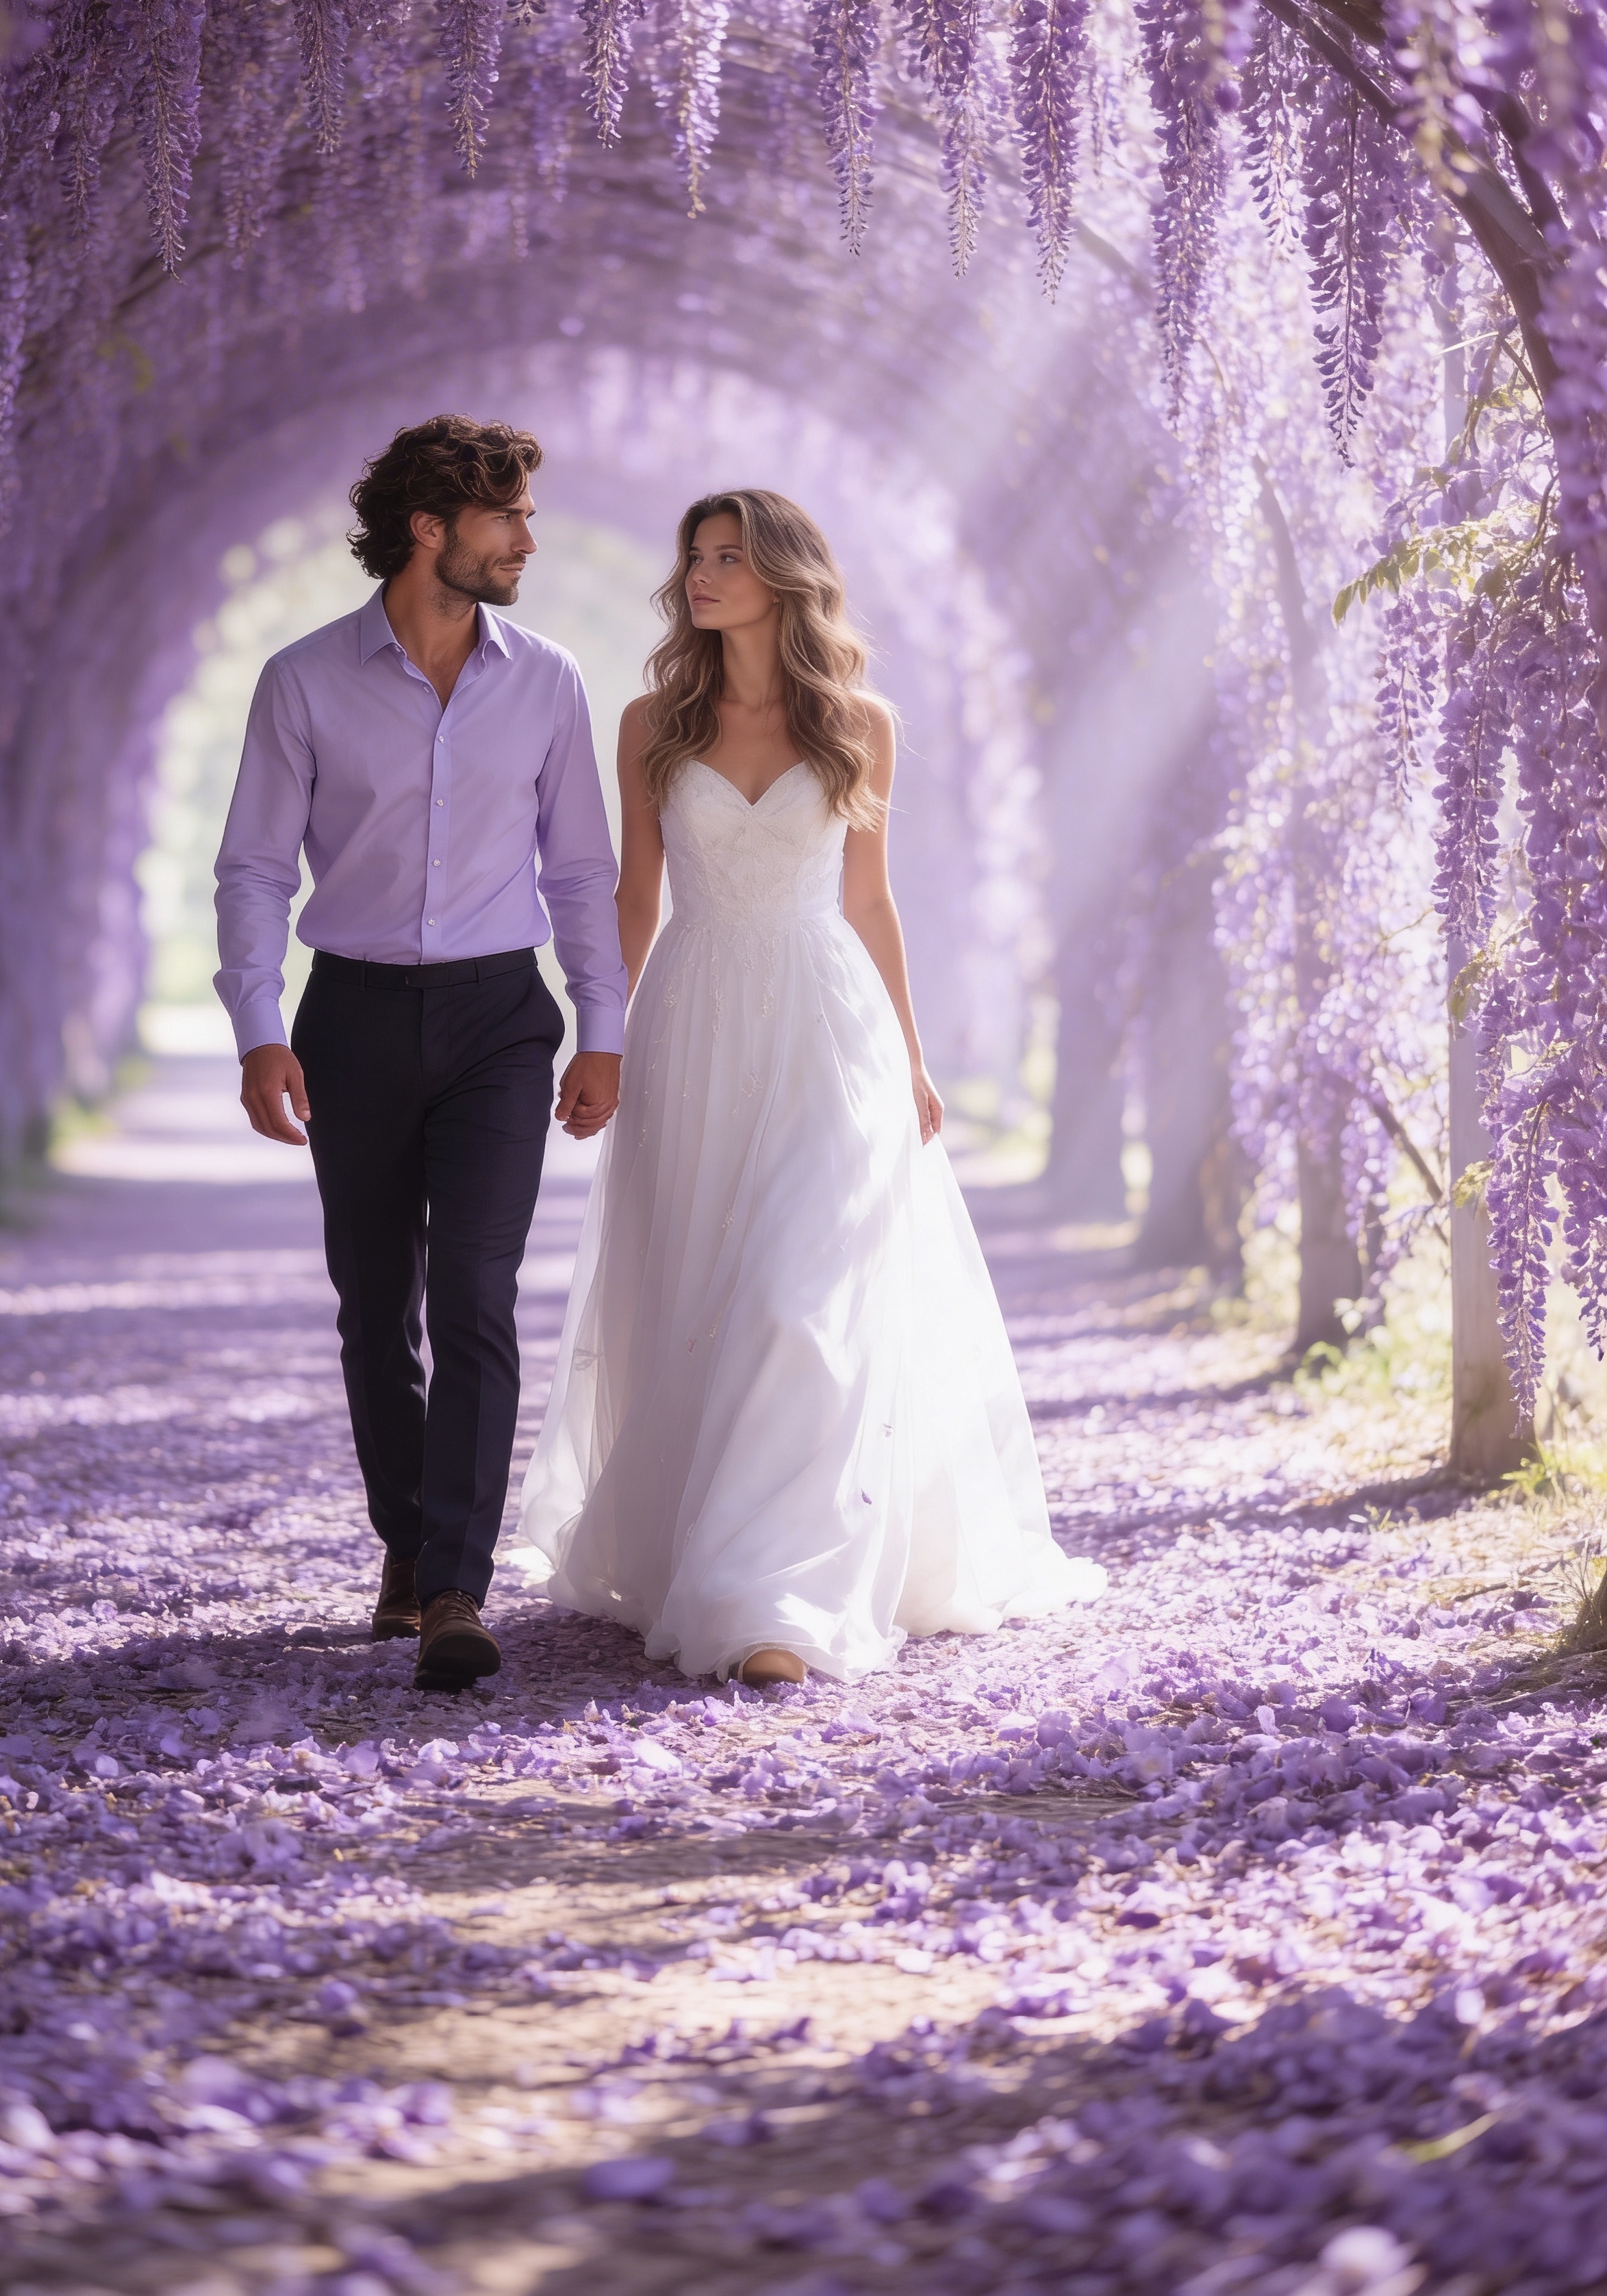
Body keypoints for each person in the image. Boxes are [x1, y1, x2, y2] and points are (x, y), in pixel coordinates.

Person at [520, 489, 1102, 1684]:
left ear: (785, 576)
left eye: (730, 557)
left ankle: (774, 1596)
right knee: (702, 1289)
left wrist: (917, 1053)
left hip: (829, 1026)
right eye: (696, 557)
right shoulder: (648, 724)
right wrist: (603, 1039)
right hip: (693, 1019)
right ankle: (711, 1547)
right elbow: (635, 900)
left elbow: (871, 900)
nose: (704, 575)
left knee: (802, 1295)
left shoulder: (857, 723)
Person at [215, 416, 624, 1694]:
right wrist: (259, 1029)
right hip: (354, 1015)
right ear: (428, 529)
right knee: (376, 1305)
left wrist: (603, 1026)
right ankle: (406, 1544)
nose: (527, 541)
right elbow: (253, 869)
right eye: (506, 517)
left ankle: (455, 1583)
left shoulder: (549, 678)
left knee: (480, 1294)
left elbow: (579, 872)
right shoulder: (303, 680)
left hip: (503, 1019)